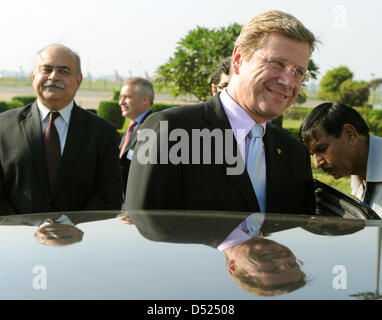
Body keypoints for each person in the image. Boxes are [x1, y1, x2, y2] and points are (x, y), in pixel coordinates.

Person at [125, 10, 317, 214]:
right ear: (238, 59)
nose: (288, 82)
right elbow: (143, 231)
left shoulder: (295, 155)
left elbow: (298, 237)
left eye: (298, 72)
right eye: (277, 63)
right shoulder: (168, 131)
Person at [0, 44, 123, 215]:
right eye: (46, 69)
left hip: (81, 238)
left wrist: (71, 226)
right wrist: (25, 227)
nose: (54, 76)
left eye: (64, 71)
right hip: (18, 237)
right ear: (33, 76)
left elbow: (110, 197)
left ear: (78, 81)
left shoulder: (103, 133)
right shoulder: (3, 127)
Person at [299, 102, 382, 218]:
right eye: (313, 154)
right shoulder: (360, 175)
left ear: (350, 134)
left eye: (322, 149)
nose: (317, 164)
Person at [119, 77, 154, 192]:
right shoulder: (132, 127)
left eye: (127, 97)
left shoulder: (152, 128)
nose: (121, 102)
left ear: (145, 99)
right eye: (121, 97)